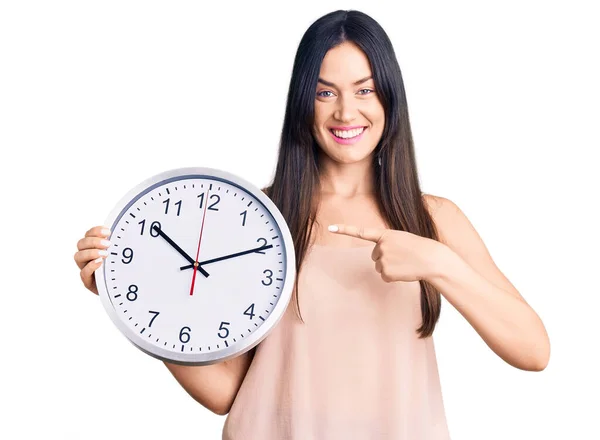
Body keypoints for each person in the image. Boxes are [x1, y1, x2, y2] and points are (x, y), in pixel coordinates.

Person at [73, 9, 550, 440]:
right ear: (305, 101)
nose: (346, 111)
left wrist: (439, 264)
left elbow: (533, 351)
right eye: (326, 92)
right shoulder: (258, 217)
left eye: (365, 89)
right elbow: (225, 392)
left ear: (390, 96)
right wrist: (128, 295)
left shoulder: (434, 219)